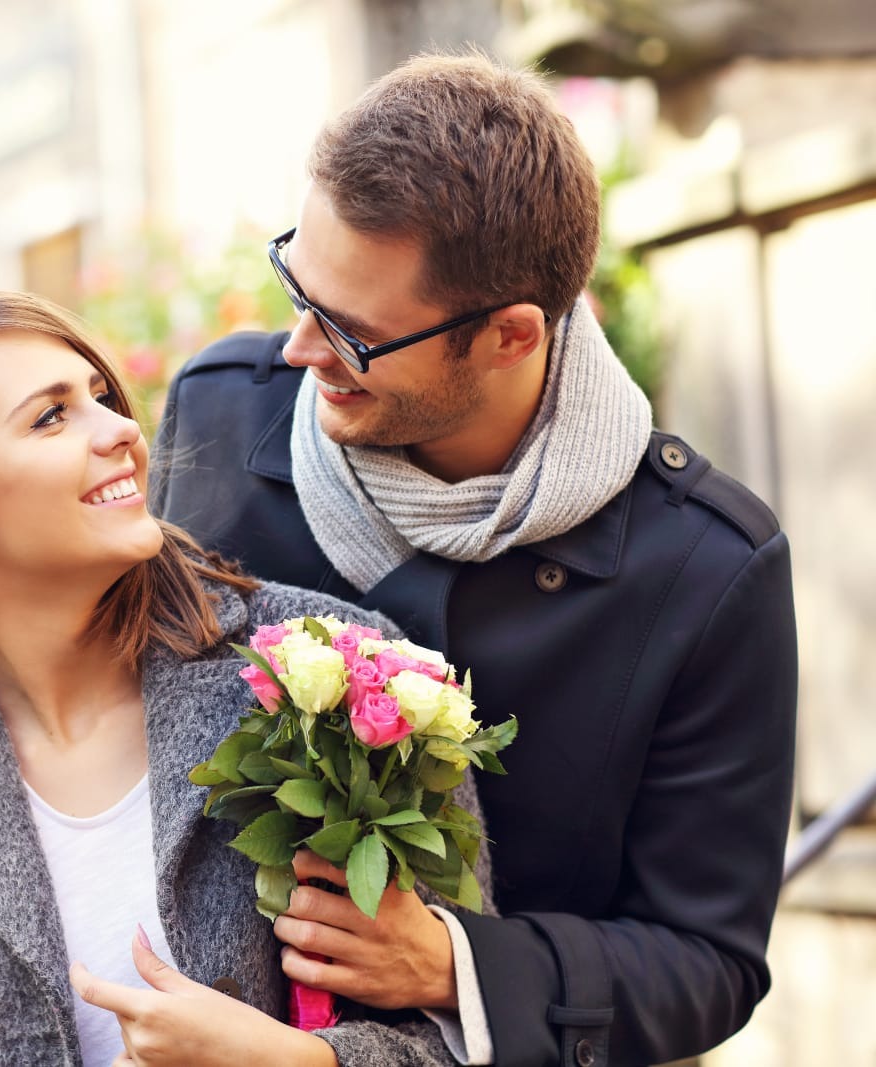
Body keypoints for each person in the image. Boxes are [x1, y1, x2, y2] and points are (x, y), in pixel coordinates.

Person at [150, 52, 798, 1067]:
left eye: (351, 332)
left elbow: (706, 956)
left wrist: (457, 963)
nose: (296, 350)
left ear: (509, 336)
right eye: (296, 285)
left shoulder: (706, 568)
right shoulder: (220, 412)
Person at [0, 291, 497, 1066]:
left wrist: (297, 1062)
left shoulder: (339, 677)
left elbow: (463, 1036)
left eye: (101, 396)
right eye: (51, 417)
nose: (121, 430)